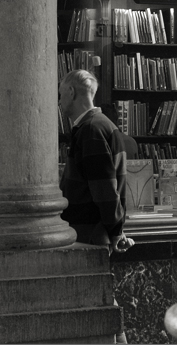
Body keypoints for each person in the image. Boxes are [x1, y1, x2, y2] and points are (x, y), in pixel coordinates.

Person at [58, 69, 135, 256]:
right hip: (93, 232)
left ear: (71, 92)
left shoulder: (91, 130)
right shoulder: (102, 125)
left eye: (61, 95)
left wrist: (115, 231)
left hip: (88, 234)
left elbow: (104, 188)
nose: (59, 102)